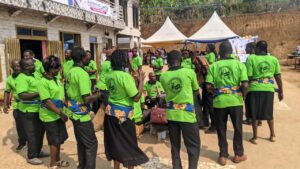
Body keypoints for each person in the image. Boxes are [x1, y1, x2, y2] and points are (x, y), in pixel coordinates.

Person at [104, 50, 149, 169]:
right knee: (129, 143)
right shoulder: (125, 77)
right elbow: (136, 98)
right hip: (124, 116)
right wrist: (141, 81)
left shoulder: (109, 75)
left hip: (111, 114)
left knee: (116, 142)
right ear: (124, 61)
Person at [206, 41, 248, 166]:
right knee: (237, 128)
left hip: (219, 102)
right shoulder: (239, 65)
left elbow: (208, 86)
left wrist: (217, 92)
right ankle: (238, 154)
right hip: (236, 101)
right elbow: (245, 84)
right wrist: (243, 95)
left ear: (220, 52)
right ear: (231, 52)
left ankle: (223, 155)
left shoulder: (214, 66)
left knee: (221, 129)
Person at [160, 50, 200, 169]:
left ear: (168, 62)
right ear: (181, 60)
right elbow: (196, 91)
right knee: (193, 146)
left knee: (175, 145)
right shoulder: (189, 72)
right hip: (187, 115)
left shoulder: (163, 76)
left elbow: (167, 92)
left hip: (172, 115)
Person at [65, 47, 101, 169]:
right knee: (91, 144)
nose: (88, 58)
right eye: (86, 56)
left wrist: (92, 92)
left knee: (81, 142)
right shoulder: (82, 74)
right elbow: (86, 98)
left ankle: (82, 166)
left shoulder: (70, 71)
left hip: (73, 111)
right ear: (81, 58)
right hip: (82, 114)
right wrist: (98, 95)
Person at [246, 40, 284, 144]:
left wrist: (244, 91)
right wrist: (281, 91)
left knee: (254, 113)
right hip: (268, 89)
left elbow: (248, 77)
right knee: (268, 112)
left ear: (257, 48)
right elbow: (278, 76)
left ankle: (255, 137)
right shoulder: (273, 59)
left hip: (254, 89)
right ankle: (272, 135)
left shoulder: (251, 58)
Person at [15, 58, 48, 165]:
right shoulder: (21, 78)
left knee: (40, 131)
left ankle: (38, 151)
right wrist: (40, 93)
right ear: (26, 67)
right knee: (32, 133)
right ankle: (32, 156)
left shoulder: (34, 75)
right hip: (28, 111)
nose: (34, 66)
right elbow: (22, 95)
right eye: (32, 65)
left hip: (38, 109)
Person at [38, 55, 69, 168]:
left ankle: (58, 160)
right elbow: (47, 101)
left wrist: (65, 104)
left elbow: (59, 95)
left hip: (58, 114)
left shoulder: (56, 78)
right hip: (49, 116)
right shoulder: (42, 82)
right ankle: (52, 164)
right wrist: (61, 113)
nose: (59, 70)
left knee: (59, 139)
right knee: (54, 140)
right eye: (57, 68)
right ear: (51, 69)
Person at [3, 60, 27, 151]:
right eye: (14, 66)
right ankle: (22, 142)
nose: (16, 68)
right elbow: (7, 91)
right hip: (17, 105)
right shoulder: (10, 78)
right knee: (19, 125)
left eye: (18, 66)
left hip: (28, 105)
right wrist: (5, 104)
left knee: (30, 125)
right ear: (11, 67)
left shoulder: (25, 76)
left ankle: (33, 143)